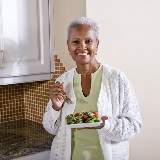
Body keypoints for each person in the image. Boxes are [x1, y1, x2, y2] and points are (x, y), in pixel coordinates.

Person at [42, 17, 142, 160]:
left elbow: (135, 125)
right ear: (68, 46)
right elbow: (50, 128)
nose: (82, 47)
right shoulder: (63, 81)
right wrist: (55, 107)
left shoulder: (117, 79)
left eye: (88, 41)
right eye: (76, 41)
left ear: (97, 44)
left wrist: (106, 125)